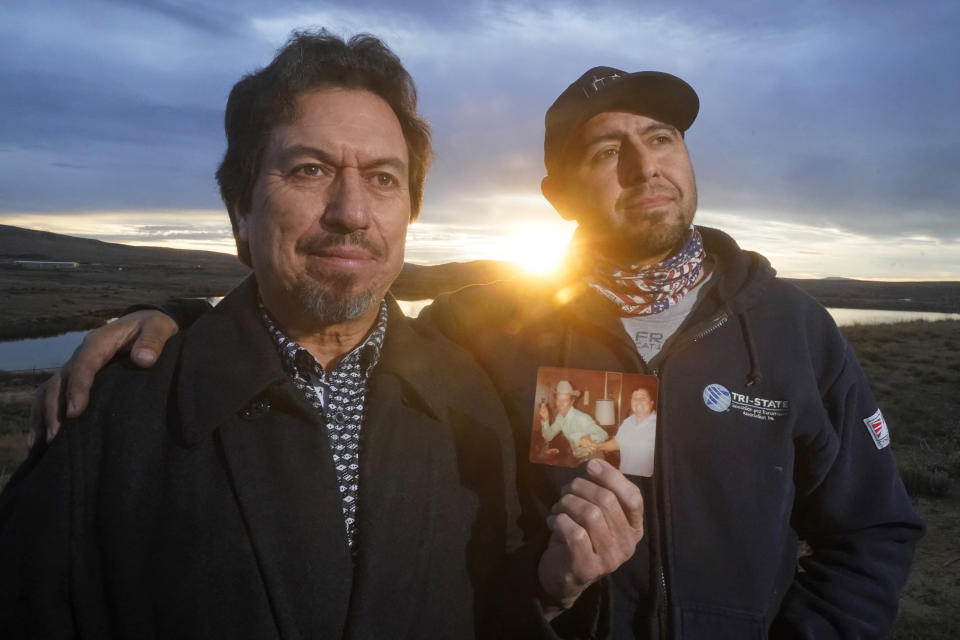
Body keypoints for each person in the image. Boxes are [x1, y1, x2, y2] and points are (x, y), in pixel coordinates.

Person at [33, 63, 924, 638]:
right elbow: (330, 315)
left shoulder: (795, 331)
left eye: (662, 139)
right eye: (607, 150)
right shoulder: (489, 331)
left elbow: (873, 533)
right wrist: (184, 322)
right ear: (558, 193)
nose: (644, 167)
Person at [0, 34, 647, 639]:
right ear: (241, 214)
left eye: (383, 179)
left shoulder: (469, 392)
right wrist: (181, 317)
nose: (353, 212)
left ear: (408, 217)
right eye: (309, 170)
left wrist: (554, 588)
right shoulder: (110, 416)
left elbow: (491, 596)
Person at [583, 387, 657, 477]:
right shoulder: (627, 422)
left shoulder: (658, 425)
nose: (638, 401)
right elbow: (617, 443)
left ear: (651, 402)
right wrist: (596, 446)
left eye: (643, 398)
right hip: (623, 477)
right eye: (635, 399)